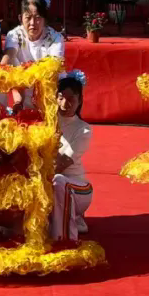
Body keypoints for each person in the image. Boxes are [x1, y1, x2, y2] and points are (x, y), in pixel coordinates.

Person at [3, 0, 64, 111]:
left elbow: (53, 65)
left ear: (44, 19)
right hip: (22, 87)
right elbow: (10, 53)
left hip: (48, 90)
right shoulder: (14, 34)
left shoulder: (56, 38)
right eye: (28, 17)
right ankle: (19, 103)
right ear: (20, 18)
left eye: (37, 18)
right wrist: (0, 67)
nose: (32, 23)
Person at [51, 72, 94, 242]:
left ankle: (64, 240)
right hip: (49, 182)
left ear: (80, 101)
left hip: (77, 188)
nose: (65, 104)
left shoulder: (84, 130)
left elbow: (59, 165)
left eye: (71, 99)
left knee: (58, 181)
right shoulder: (46, 122)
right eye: (61, 98)